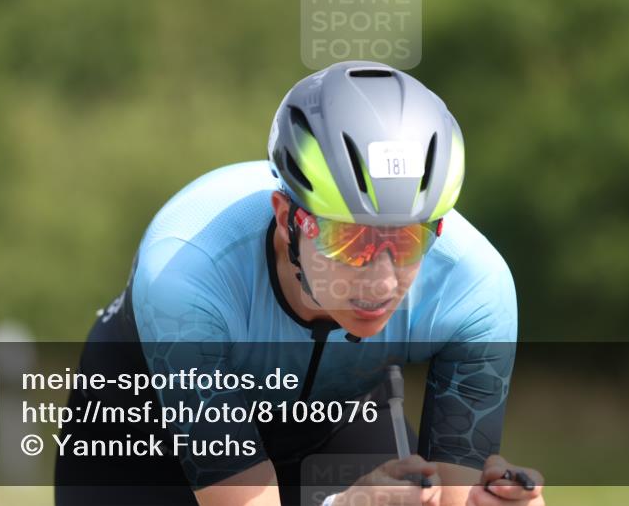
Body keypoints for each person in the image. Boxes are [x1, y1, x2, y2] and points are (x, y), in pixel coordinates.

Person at [55, 60, 546, 506]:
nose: (382, 280)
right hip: (142, 438)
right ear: (287, 216)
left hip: (332, 420)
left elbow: (452, 497)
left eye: (408, 240)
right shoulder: (186, 272)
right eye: (351, 239)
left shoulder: (475, 286)